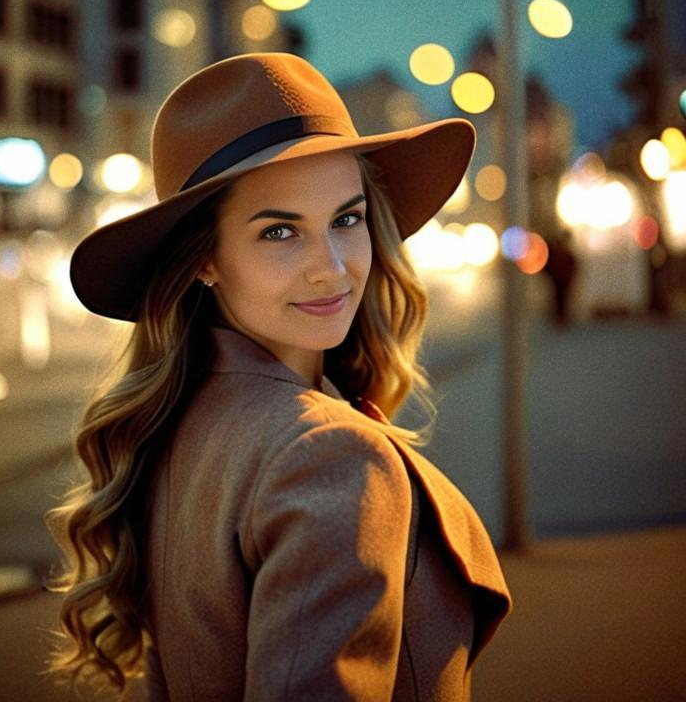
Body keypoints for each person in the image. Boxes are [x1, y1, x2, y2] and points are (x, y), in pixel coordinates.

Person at [48, 52, 511, 700]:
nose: (330, 268)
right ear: (205, 258)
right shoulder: (329, 455)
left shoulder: (175, 427)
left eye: (346, 220)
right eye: (279, 232)